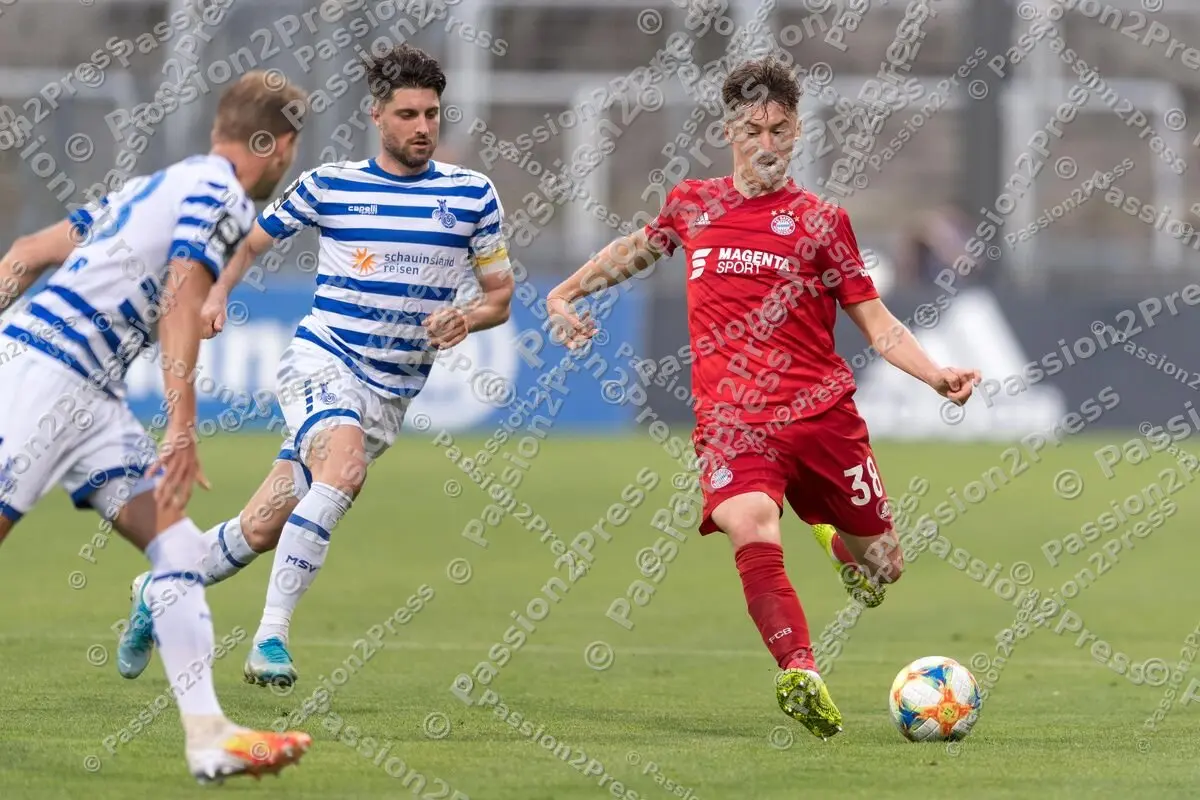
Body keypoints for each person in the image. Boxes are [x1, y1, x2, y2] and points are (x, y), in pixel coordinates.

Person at [543, 56, 980, 740]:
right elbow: (637, 248)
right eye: (753, 129)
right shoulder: (693, 203)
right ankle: (798, 668)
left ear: (797, 131)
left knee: (885, 564)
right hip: (733, 423)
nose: (767, 143)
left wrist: (935, 375)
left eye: (779, 128)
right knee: (749, 522)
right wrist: (566, 291)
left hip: (823, 419)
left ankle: (840, 545)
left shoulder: (822, 221)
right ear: (730, 132)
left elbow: (878, 322)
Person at [116, 44, 514, 690]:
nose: (422, 128)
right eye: (408, 113)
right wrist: (218, 293)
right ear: (377, 116)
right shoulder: (331, 185)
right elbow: (249, 240)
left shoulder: (472, 196)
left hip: (390, 393)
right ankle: (269, 639)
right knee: (344, 466)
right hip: (322, 359)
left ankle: (156, 587)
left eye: (432, 114)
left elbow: (499, 295)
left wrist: (466, 316)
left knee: (260, 528)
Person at [0, 71, 313, 782]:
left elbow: (25, 252)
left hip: (88, 397)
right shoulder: (221, 197)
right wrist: (182, 425)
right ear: (280, 145)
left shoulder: (154, 189)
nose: (290, 161)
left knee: (176, 545)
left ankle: (209, 737)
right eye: (292, 149)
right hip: (46, 378)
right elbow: (181, 291)